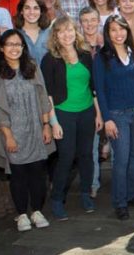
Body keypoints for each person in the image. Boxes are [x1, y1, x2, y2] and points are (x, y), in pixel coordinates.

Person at [0, 29, 55, 231]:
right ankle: (22, 214)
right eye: (10, 44)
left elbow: (43, 97)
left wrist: (46, 125)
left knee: (37, 172)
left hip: (36, 128)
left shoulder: (32, 67)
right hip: (12, 132)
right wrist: (8, 136)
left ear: (23, 47)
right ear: (1, 48)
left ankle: (37, 210)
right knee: (17, 174)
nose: (14, 48)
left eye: (18, 44)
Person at [88, 16, 134, 218]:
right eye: (113, 30)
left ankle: (133, 194)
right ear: (108, 33)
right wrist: (107, 119)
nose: (118, 34)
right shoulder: (101, 57)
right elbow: (99, 90)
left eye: (122, 29)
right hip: (117, 115)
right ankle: (120, 202)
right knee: (121, 159)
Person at [40, 15, 100, 219]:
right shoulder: (49, 59)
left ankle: (85, 194)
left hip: (86, 112)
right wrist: (53, 122)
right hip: (63, 113)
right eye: (61, 31)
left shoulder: (84, 54)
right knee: (66, 157)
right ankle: (57, 198)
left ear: (76, 32)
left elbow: (93, 88)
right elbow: (47, 95)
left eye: (70, 30)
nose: (66, 34)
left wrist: (98, 113)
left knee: (86, 156)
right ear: (55, 35)